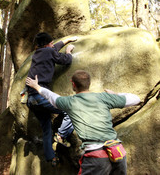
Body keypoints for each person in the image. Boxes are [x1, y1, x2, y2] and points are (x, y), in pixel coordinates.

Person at [26, 70, 141, 174]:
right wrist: (115, 94)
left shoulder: (70, 102)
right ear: (89, 83)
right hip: (118, 152)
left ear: (73, 84)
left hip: (96, 157)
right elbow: (136, 99)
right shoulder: (104, 97)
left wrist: (37, 87)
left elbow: (52, 97)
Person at [26, 32, 76, 166]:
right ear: (47, 44)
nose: (53, 44)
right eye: (51, 42)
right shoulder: (49, 51)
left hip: (31, 99)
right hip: (40, 95)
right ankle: (61, 135)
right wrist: (68, 51)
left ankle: (51, 158)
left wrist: (67, 40)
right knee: (71, 109)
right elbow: (66, 60)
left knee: (46, 128)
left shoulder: (38, 53)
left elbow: (53, 48)